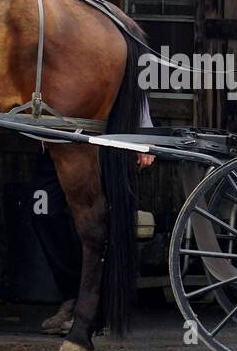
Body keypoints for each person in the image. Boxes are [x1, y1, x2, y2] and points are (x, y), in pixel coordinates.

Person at [34, 97, 153, 335]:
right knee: (41, 212)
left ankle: (97, 306)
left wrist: (144, 136)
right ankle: (71, 295)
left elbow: (132, 85)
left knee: (100, 223)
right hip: (59, 146)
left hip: (101, 147)